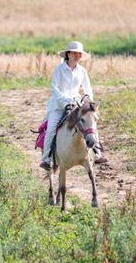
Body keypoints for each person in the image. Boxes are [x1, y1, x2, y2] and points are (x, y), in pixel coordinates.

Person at [39, 41, 107, 170]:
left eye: (79, 53)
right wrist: (66, 99)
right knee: (51, 130)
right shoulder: (59, 69)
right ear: (68, 54)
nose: (77, 55)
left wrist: (89, 101)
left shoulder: (82, 71)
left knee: (90, 125)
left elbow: (88, 89)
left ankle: (98, 153)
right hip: (58, 106)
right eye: (75, 53)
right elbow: (54, 89)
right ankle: (46, 158)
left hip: (77, 105)